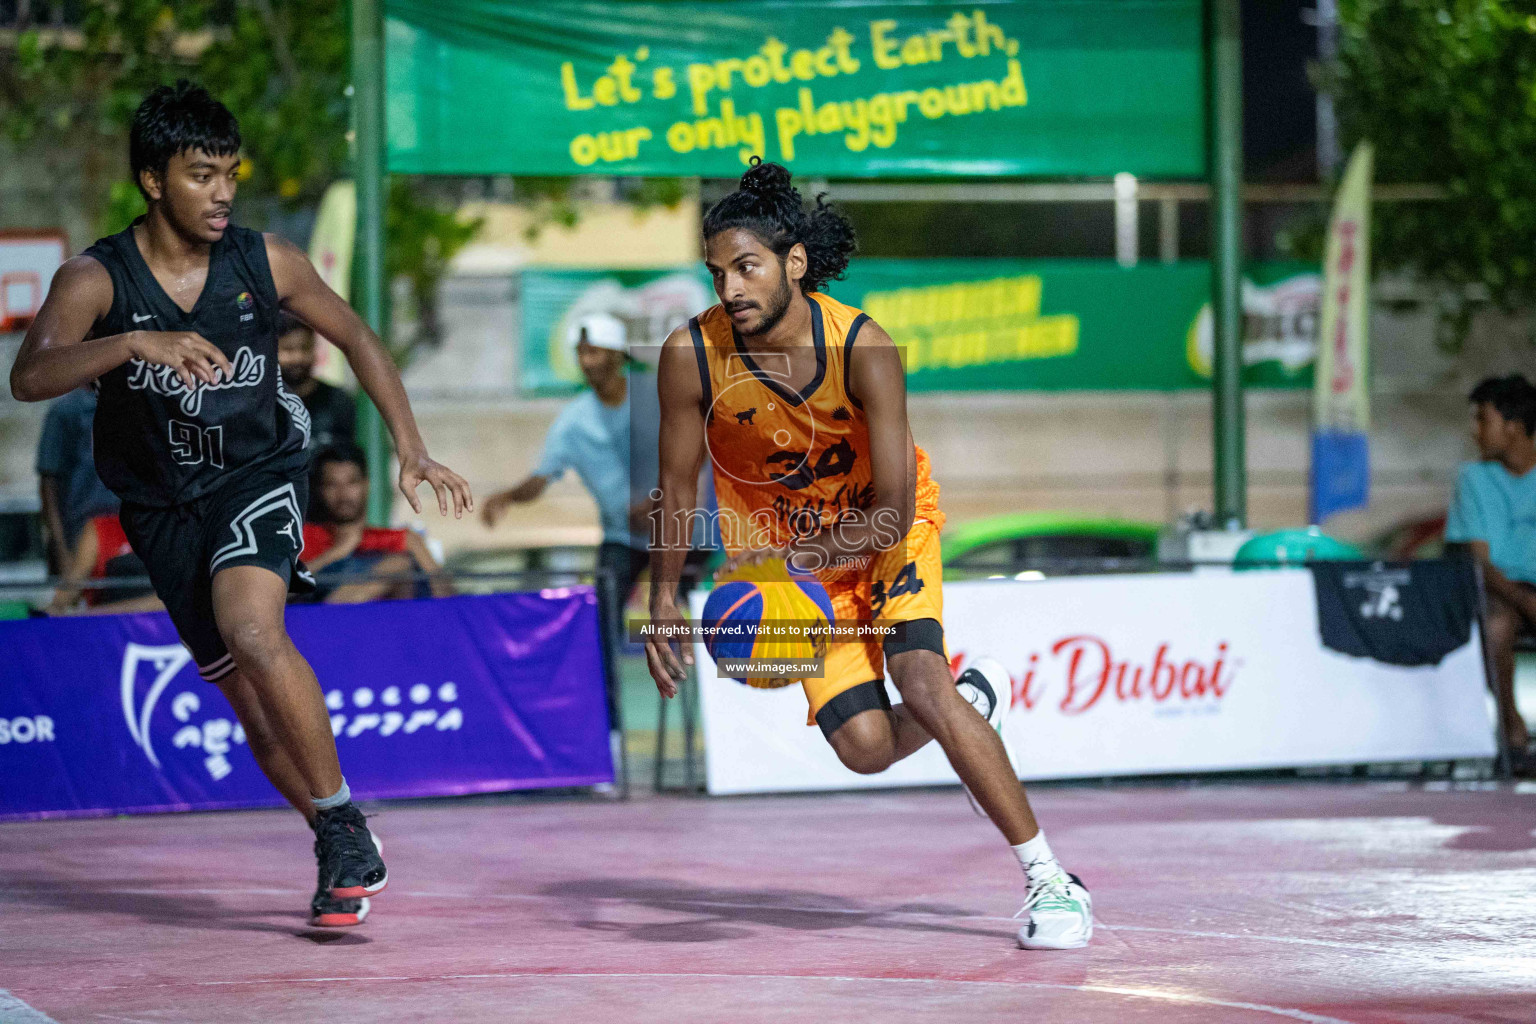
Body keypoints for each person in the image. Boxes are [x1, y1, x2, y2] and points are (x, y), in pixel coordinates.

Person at [9, 81, 473, 930]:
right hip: (158, 506)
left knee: (257, 632)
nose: (222, 191)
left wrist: (409, 444)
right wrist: (132, 340)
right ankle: (338, 835)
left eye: (230, 172)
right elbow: (29, 375)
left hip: (258, 474)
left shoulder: (267, 260)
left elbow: (357, 336)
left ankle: (337, 820)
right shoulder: (96, 278)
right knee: (246, 699)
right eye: (200, 174)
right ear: (153, 179)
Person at [645, 161, 1092, 951]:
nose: (730, 288)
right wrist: (663, 600)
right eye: (716, 273)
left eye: (745, 267)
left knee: (921, 678)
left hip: (884, 534)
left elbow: (889, 509)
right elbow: (678, 489)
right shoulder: (690, 357)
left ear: (793, 263)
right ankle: (973, 701)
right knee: (866, 751)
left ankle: (1051, 879)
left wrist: (816, 555)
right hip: (785, 564)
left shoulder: (864, 346)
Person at [481, 313, 711, 661]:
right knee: (600, 615)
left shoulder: (658, 394)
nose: (587, 362)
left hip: (683, 534)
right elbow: (541, 477)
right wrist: (509, 496)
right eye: (581, 353)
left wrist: (661, 499)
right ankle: (606, 703)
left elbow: (702, 446)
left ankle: (708, 694)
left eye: (596, 352)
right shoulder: (573, 421)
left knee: (695, 621)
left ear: (619, 355)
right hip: (625, 538)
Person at [1445, 374, 1536, 772]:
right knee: (1495, 623)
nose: (1475, 430)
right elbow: (1480, 561)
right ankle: (1512, 727)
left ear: (1513, 427)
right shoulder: (1474, 479)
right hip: (1503, 588)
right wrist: (1526, 601)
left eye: (1483, 419)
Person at [302, 442, 451, 603]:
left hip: (389, 624)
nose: (343, 494)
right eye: (331, 484)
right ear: (320, 490)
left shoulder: (405, 539)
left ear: (366, 485)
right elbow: (281, 592)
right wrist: (336, 553)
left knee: (399, 564)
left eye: (352, 483)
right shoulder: (302, 537)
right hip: (315, 621)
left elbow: (447, 599)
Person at [35, 386, 119, 573]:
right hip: (81, 534)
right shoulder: (66, 411)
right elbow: (48, 486)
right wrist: (62, 550)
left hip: (128, 534)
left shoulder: (132, 403)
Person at [46, 512, 162, 615]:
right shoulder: (100, 529)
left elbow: (171, 600)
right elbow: (66, 595)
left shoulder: (172, 531)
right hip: (106, 631)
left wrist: (92, 614)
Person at [277, 313, 356, 455]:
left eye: (305, 348)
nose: (298, 358)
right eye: (288, 350)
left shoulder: (337, 401)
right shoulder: (263, 402)